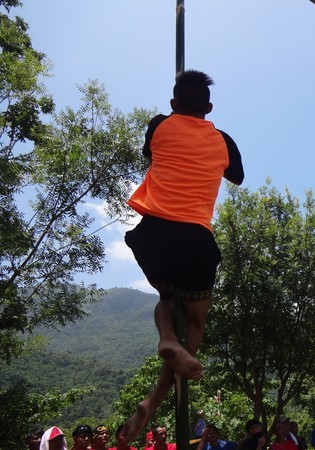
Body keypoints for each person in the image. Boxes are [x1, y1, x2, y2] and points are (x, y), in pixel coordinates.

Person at [120, 69, 244, 442]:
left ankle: (166, 343)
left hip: (151, 233)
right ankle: (156, 395)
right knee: (195, 321)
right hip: (194, 237)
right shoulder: (223, 140)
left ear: (173, 103)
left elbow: (148, 151)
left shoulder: (159, 124)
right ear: (209, 107)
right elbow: (237, 176)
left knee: (166, 298)